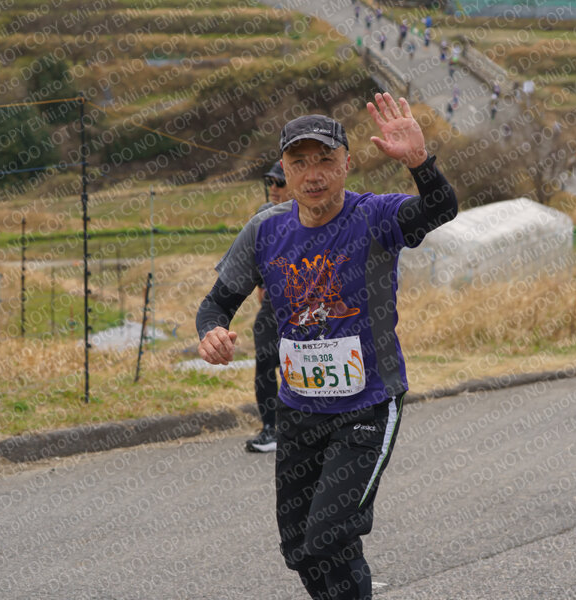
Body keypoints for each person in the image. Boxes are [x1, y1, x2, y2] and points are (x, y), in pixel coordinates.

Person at [196, 93, 457, 599]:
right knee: (300, 550)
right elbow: (216, 304)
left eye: (325, 160)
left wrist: (419, 163)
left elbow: (439, 208)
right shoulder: (266, 229)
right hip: (298, 409)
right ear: (284, 170)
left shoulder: (375, 216)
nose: (313, 174)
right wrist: (211, 332)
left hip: (368, 405)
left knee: (329, 536)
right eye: (299, 163)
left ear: (346, 163)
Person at [244, 163, 290, 453]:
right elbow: (257, 253)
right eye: (270, 181)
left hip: (303, 304)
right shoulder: (264, 215)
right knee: (264, 362)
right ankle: (270, 429)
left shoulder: (309, 214)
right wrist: (261, 283)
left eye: (279, 182)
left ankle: (295, 426)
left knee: (293, 364)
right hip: (273, 304)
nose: (273, 187)